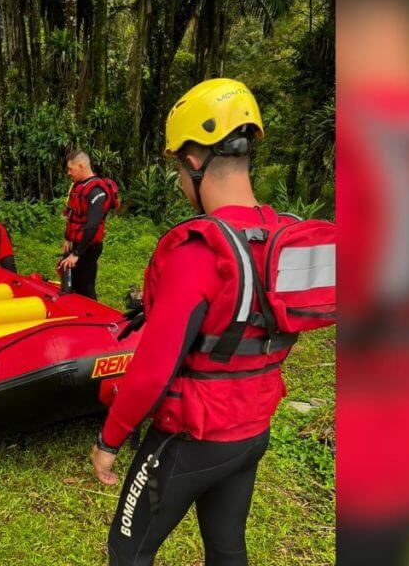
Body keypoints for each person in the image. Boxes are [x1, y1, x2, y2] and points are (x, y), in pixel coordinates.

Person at [89, 79, 308, 565]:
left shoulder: (198, 250)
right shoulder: (280, 235)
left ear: (193, 159)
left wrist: (110, 440)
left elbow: (153, 367)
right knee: (227, 548)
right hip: (252, 432)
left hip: (190, 437)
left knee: (127, 553)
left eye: (176, 166)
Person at [57, 150, 118, 300]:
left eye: (71, 169)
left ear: (82, 165)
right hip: (76, 243)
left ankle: (94, 317)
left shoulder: (96, 191)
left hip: (88, 247)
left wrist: (77, 253)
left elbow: (92, 225)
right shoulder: (78, 187)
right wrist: (68, 239)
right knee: (71, 283)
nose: (68, 173)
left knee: (86, 286)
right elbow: (72, 216)